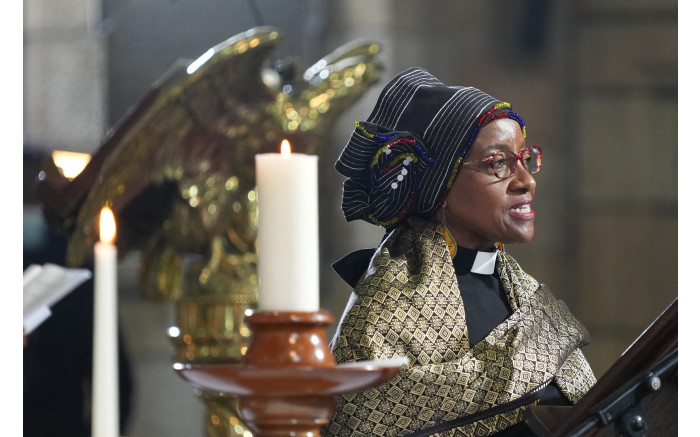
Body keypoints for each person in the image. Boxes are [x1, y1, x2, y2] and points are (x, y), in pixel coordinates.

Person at [323, 67, 596, 436]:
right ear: (442, 187)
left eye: (525, 159)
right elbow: (357, 417)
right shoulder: (387, 310)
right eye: (498, 164)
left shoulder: (524, 293)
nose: (526, 181)